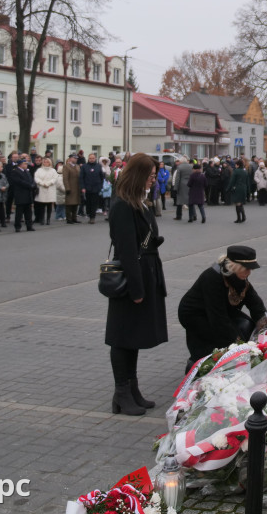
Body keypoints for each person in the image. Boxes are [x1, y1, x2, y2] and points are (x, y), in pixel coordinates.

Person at [105, 152, 168, 416]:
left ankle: (132, 389)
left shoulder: (139, 202)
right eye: (151, 176)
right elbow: (127, 251)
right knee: (122, 338)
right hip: (132, 280)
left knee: (134, 337)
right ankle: (121, 393)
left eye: (154, 176)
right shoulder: (122, 205)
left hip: (146, 274)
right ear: (139, 175)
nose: (153, 180)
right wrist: (137, 289)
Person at [177, 245, 266, 372]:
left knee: (245, 327)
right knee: (211, 343)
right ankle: (196, 367)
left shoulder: (239, 277)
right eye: (246, 269)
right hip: (194, 314)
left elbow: (254, 302)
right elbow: (218, 318)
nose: (249, 272)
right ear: (235, 267)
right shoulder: (212, 278)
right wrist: (237, 344)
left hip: (219, 311)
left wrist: (265, 325)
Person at [8, 157, 37, 232]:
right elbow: (19, 182)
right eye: (25, 163)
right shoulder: (15, 172)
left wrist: (33, 185)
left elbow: (31, 179)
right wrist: (29, 185)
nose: (26, 165)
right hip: (20, 194)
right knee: (19, 212)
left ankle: (29, 226)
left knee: (28, 211)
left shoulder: (26, 171)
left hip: (28, 194)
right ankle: (17, 226)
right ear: (20, 164)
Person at [80, 153, 105, 223]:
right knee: (88, 203)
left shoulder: (98, 166)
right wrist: (82, 187)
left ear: (95, 159)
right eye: (90, 158)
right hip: (87, 188)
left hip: (96, 188)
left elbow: (102, 177)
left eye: (93, 158)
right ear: (88, 158)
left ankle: (92, 217)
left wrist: (101, 186)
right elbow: (81, 178)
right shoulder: (84, 166)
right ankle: (89, 213)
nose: (91, 159)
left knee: (94, 203)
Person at [228, 158, 250, 224]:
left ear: (237, 165)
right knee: (240, 203)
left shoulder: (236, 171)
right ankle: (243, 216)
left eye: (235, 164)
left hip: (237, 188)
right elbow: (247, 182)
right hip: (243, 188)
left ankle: (239, 218)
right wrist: (248, 190)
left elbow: (232, 181)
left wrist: (228, 188)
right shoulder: (245, 171)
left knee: (237, 203)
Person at [62, 154, 81, 224]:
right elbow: (65, 178)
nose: (75, 159)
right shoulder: (66, 167)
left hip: (77, 188)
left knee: (76, 204)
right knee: (69, 204)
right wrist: (67, 188)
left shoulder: (77, 166)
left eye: (76, 158)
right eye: (74, 158)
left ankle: (74, 217)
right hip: (70, 187)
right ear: (70, 159)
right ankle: (69, 218)